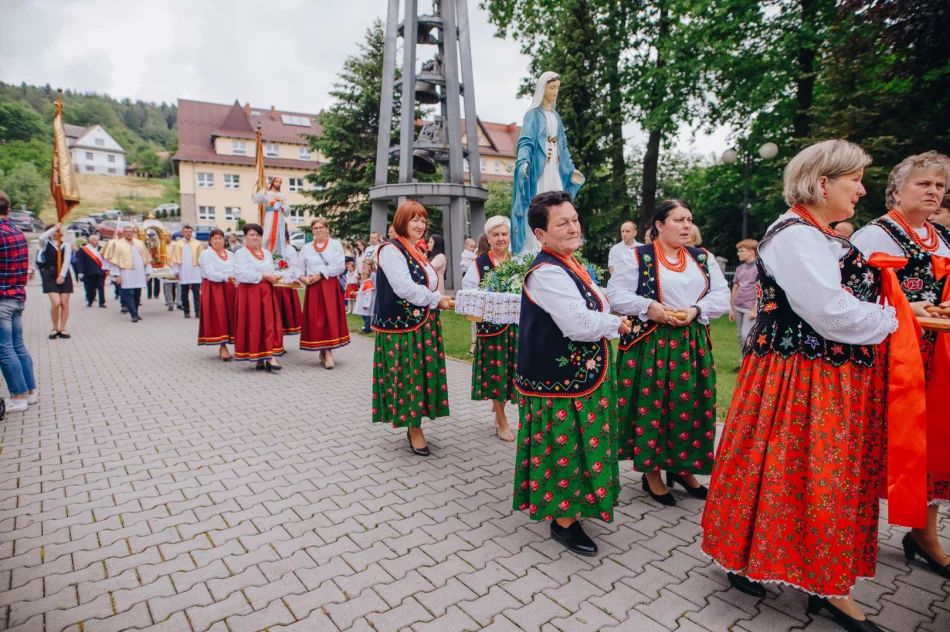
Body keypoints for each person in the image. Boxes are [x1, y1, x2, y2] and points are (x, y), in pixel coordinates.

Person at [701, 140, 898, 631]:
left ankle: (809, 574)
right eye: (855, 179)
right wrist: (895, 319)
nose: (863, 189)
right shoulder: (794, 235)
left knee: (792, 470)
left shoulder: (816, 232)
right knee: (806, 470)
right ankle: (819, 583)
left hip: (818, 371)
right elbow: (829, 312)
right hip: (798, 374)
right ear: (823, 181)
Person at [513, 190, 630, 556]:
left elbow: (600, 301)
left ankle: (579, 501)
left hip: (581, 377)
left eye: (575, 219)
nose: (573, 227)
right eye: (562, 222)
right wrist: (617, 325)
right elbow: (577, 323)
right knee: (564, 444)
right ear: (541, 234)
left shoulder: (572, 265)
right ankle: (562, 521)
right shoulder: (546, 272)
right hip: (557, 381)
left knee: (583, 442)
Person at [852, 150, 950, 579]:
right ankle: (849, 535)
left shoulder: (940, 236)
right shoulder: (875, 236)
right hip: (888, 361)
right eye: (923, 183)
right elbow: (849, 297)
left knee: (929, 444)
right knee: (875, 445)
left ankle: (923, 532)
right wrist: (909, 307)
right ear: (896, 190)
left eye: (940, 185)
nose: (934, 191)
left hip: (934, 357)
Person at [606, 200, 730, 507]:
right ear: (660, 225)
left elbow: (722, 294)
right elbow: (615, 294)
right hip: (651, 342)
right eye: (679, 220)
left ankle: (682, 468)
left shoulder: (702, 257)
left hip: (691, 341)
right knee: (653, 406)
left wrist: (696, 309)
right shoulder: (638, 257)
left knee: (689, 404)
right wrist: (649, 307)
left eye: (689, 219)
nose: (686, 225)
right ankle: (651, 473)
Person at [371, 201, 453, 457]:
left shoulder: (416, 250)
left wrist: (438, 299)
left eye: (423, 221)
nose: (420, 225)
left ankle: (416, 420)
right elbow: (403, 288)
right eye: (414, 220)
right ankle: (413, 427)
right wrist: (436, 299)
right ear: (401, 221)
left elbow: (428, 282)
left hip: (422, 322)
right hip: (402, 327)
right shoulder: (390, 250)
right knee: (409, 375)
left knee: (421, 375)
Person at [511, 72, 585, 254]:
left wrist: (570, 168)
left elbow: (563, 145)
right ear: (542, 89)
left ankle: (558, 244)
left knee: (559, 201)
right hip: (539, 168)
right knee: (539, 203)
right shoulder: (533, 115)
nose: (555, 92)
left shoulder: (556, 116)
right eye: (552, 88)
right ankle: (535, 246)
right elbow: (526, 141)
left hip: (556, 167)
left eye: (557, 88)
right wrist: (524, 161)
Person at [462, 216, 519, 442]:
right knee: (496, 376)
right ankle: (501, 421)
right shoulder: (479, 264)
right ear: (488, 238)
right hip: (491, 331)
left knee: (511, 374)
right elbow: (469, 295)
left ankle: (500, 409)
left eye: (504, 234)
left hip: (515, 329)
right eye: (495, 235)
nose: (501, 238)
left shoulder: (518, 262)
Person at [0, 191, 37, 413]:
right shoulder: (17, 231)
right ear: (9, 210)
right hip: (17, 296)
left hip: (2, 298)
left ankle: (18, 396)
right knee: (18, 346)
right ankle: (30, 392)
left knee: (4, 350)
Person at [297, 217, 350, 368]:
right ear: (312, 230)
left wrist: (320, 274)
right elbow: (298, 266)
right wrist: (303, 278)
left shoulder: (334, 244)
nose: (319, 230)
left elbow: (339, 265)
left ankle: (328, 353)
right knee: (317, 320)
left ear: (327, 229)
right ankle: (323, 349)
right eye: (315, 228)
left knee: (329, 318)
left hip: (329, 285)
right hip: (313, 286)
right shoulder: (307, 248)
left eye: (321, 227)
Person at [233, 223, 283, 371]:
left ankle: (268, 356)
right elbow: (241, 275)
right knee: (254, 324)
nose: (255, 237)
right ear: (246, 237)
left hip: (266, 291)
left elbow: (271, 270)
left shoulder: (266, 253)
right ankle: (261, 357)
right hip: (250, 293)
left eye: (258, 235)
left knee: (268, 323)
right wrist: (263, 275)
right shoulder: (241, 253)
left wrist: (274, 277)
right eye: (251, 234)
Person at [198, 229, 237, 361]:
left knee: (232, 315)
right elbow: (210, 273)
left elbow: (236, 269)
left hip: (230, 287)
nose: (217, 241)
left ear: (224, 240)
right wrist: (227, 276)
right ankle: (223, 345)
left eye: (220, 238)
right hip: (214, 287)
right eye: (214, 238)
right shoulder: (206, 254)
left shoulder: (230, 254)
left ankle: (238, 344)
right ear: (210, 240)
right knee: (220, 315)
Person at [103, 224, 153, 323]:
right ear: (123, 233)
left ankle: (136, 312)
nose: (129, 233)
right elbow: (115, 261)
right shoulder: (118, 245)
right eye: (127, 232)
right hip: (126, 273)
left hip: (138, 273)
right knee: (129, 293)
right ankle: (133, 314)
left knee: (137, 294)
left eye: (131, 232)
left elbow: (146, 259)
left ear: (134, 233)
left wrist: (147, 273)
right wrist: (117, 275)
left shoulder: (140, 244)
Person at [37, 224, 74, 339]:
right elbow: (41, 238)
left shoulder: (65, 245)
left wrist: (62, 275)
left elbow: (67, 261)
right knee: (56, 303)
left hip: (63, 275)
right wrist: (54, 228)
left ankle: (62, 328)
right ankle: (54, 327)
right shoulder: (45, 244)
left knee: (64, 303)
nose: (54, 233)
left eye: (57, 231)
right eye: (52, 232)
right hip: (50, 274)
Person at [729, 239, 759, 364]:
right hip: (738, 307)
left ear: (751, 251)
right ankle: (743, 363)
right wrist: (731, 308)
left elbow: (760, 290)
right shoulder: (740, 268)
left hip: (750, 308)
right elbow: (735, 288)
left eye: (741, 251)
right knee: (740, 336)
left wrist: (754, 309)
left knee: (746, 335)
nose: (738, 253)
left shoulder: (759, 268)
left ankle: (750, 363)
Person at [170, 225, 203, 319]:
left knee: (196, 293)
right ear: (182, 233)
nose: (188, 233)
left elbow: (202, 258)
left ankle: (198, 311)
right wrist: (176, 272)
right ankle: (186, 311)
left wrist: (202, 271)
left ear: (192, 232)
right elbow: (175, 259)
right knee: (184, 293)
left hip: (195, 271)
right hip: (183, 271)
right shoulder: (178, 244)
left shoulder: (197, 243)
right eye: (186, 232)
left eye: (189, 232)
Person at [273, 236, 303, 337]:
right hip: (273, 284)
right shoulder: (270, 248)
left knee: (285, 312)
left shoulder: (290, 250)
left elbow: (294, 266)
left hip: (286, 283)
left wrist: (285, 276)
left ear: (287, 240)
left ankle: (280, 338)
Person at [252, 177, 289, 257]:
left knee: (280, 237)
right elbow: (255, 200)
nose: (278, 184)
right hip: (270, 217)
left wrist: (281, 202)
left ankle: (279, 257)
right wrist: (264, 189)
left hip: (280, 218)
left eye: (280, 182)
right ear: (272, 182)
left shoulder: (282, 195)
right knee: (267, 236)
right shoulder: (267, 194)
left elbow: (287, 212)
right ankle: (265, 255)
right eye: (276, 181)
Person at [74, 233, 107, 308]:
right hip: (89, 272)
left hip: (100, 271)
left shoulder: (101, 248)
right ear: (90, 241)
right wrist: (80, 272)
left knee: (101, 287)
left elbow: (105, 260)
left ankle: (102, 302)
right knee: (90, 288)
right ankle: (90, 301)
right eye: (94, 240)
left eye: (97, 240)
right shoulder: (84, 249)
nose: (96, 242)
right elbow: (80, 262)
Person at [354, 261, 375, 334]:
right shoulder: (365, 282)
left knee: (366, 317)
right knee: (364, 316)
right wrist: (356, 293)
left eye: (362, 276)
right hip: (363, 303)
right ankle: (366, 326)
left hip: (366, 305)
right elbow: (362, 292)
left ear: (366, 276)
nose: (361, 277)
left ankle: (367, 328)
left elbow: (368, 296)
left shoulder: (368, 283)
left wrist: (366, 304)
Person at [161, 234, 180, 312]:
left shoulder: (175, 245)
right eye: (165, 236)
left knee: (179, 287)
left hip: (175, 267)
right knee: (168, 288)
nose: (167, 238)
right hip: (166, 268)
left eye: (168, 236)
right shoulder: (161, 246)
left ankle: (179, 303)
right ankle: (170, 304)